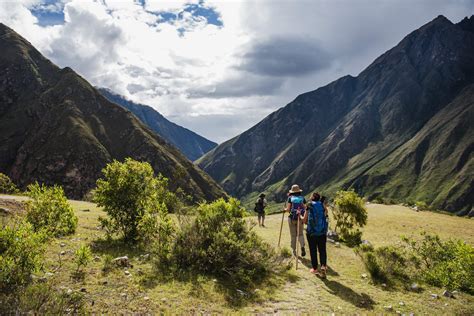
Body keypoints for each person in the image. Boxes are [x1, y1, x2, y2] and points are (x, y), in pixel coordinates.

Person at [304, 192, 328, 277]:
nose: (310, 197)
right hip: (322, 232)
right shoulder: (322, 204)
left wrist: (300, 216)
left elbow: (305, 220)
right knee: (322, 250)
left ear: (313, 197)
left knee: (313, 250)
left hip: (311, 233)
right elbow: (326, 215)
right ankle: (323, 266)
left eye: (311, 196)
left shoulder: (309, 205)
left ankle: (315, 269)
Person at [285, 184, 306, 257]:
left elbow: (288, 209)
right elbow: (305, 208)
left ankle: (294, 250)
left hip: (292, 218)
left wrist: (284, 209)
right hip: (300, 218)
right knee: (300, 234)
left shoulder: (290, 198)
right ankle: (302, 246)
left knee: (293, 235)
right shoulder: (302, 198)